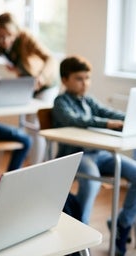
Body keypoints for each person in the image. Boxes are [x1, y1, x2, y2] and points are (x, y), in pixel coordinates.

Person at [52, 55, 136, 256]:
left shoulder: (87, 100)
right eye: (79, 78)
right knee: (92, 183)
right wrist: (106, 124)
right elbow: (76, 120)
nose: (85, 83)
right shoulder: (60, 101)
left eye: (87, 78)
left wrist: (129, 117)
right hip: (77, 155)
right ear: (65, 80)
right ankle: (81, 236)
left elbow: (108, 112)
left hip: (99, 154)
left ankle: (123, 223)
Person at [0, 12, 60, 164]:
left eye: (9, 35)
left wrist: (41, 77)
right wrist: (16, 68)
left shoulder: (26, 37)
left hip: (46, 84)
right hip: (27, 85)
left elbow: (50, 58)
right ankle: (31, 165)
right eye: (1, 36)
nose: (5, 40)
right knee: (29, 126)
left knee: (37, 126)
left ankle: (37, 167)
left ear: (16, 31)